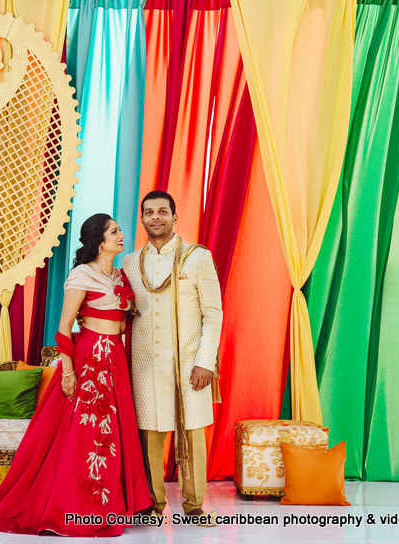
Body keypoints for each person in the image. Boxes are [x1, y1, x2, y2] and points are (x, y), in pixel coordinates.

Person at [0, 213, 151, 536]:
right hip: (89, 360)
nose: (121, 235)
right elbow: (64, 328)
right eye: (114, 231)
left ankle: (108, 505)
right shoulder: (82, 275)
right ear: (99, 240)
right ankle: (76, 506)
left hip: (115, 361)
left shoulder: (119, 276)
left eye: (120, 230)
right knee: (84, 436)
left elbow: (125, 322)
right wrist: (67, 372)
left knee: (111, 434)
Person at [122, 190, 222, 526]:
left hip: (190, 363)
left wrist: (206, 361)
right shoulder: (130, 262)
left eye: (162, 211)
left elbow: (214, 313)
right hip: (145, 364)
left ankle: (193, 505)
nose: (155, 218)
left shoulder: (197, 257)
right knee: (150, 434)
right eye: (148, 212)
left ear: (175, 217)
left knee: (191, 432)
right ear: (142, 219)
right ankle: (153, 504)